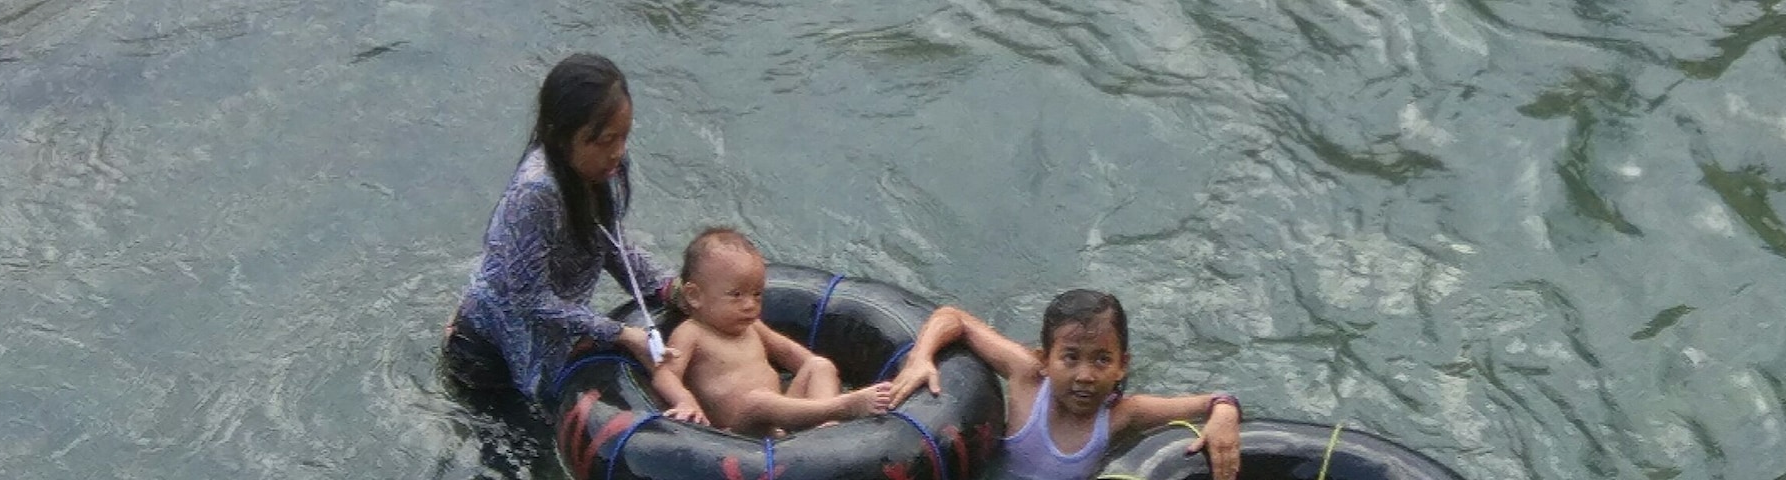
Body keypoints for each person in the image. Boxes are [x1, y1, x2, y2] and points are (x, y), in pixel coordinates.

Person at [443, 52, 677, 402]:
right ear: (560, 135)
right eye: (603, 141)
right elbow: (530, 299)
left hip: (546, 338)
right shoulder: (536, 193)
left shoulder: (600, 168)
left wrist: (669, 289)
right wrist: (620, 334)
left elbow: (611, 244)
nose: (617, 153)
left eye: (623, 137)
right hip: (489, 353)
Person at [888, 290, 1243, 480]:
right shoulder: (1027, 377)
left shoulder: (1123, 415)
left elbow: (1215, 401)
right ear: (1045, 359)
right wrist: (922, 356)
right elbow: (953, 317)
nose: (1085, 375)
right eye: (1070, 358)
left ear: (1123, 366)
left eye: (1102, 359)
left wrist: (1226, 411)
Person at [651, 227, 893, 437]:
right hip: (739, 431)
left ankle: (825, 428)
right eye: (736, 295)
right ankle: (841, 407)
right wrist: (685, 402)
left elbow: (790, 353)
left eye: (757, 294)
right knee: (758, 400)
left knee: (819, 365)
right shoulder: (691, 332)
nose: (750, 305)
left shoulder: (752, 326)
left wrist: (821, 371)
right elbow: (665, 375)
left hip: (780, 422)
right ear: (695, 296)